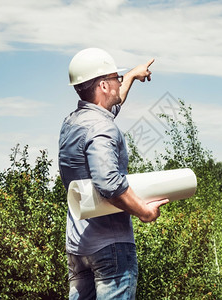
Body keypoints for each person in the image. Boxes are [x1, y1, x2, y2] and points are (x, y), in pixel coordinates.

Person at [58, 48, 169, 300]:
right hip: (110, 247)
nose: (120, 82)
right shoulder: (102, 128)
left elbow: (110, 108)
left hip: (78, 246)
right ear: (103, 86)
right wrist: (145, 211)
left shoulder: (73, 122)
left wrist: (132, 76)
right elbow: (108, 183)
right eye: (115, 78)